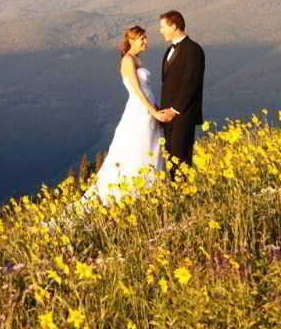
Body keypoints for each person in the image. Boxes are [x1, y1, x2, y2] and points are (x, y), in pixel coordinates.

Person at [81, 26, 168, 204]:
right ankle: (132, 191)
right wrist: (153, 112)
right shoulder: (128, 60)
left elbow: (146, 90)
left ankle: (148, 190)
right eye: (142, 38)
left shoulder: (137, 59)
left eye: (145, 38)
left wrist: (157, 108)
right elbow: (136, 90)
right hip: (139, 112)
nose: (146, 41)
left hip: (147, 109)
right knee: (138, 147)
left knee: (149, 147)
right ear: (132, 40)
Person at [157, 10, 205, 178]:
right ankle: (177, 197)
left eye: (163, 27)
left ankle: (186, 197)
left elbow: (190, 84)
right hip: (168, 118)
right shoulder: (169, 50)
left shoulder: (194, 50)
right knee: (171, 161)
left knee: (181, 161)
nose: (160, 30)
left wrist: (174, 110)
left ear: (174, 26)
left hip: (183, 115)